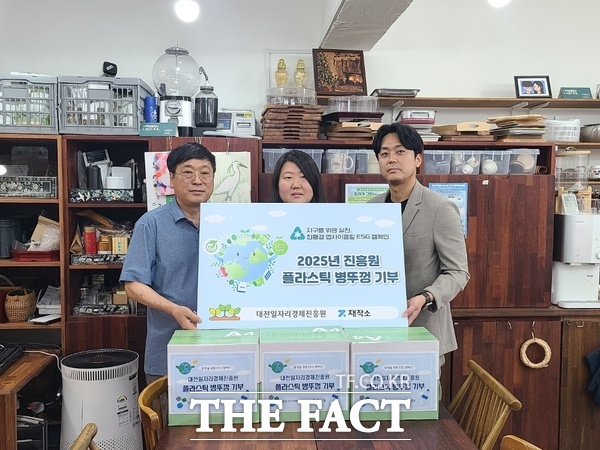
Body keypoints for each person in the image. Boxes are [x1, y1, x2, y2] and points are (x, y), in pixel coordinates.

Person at [368, 123, 470, 368]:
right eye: (384, 153)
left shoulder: (440, 208)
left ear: (417, 159)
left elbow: (458, 272)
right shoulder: (370, 209)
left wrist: (426, 297)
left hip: (423, 329)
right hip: (375, 332)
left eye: (400, 151)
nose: (392, 159)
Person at [120, 142, 216, 385]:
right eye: (188, 172)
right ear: (172, 178)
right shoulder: (150, 224)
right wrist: (173, 309)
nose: (197, 180)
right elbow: (133, 286)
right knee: (168, 410)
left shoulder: (228, 223)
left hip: (222, 352)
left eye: (205, 173)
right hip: (168, 352)